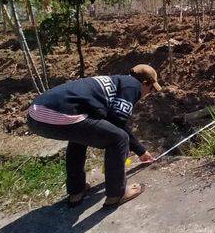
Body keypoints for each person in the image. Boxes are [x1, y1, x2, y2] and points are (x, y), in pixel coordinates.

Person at [27, 64, 162, 208]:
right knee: (119, 138)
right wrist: (141, 151)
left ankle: (76, 191)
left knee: (79, 136)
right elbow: (118, 122)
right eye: (151, 89)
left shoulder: (115, 82)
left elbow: (108, 118)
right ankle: (117, 194)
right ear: (145, 83)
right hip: (56, 114)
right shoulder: (133, 86)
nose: (149, 94)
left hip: (35, 115)